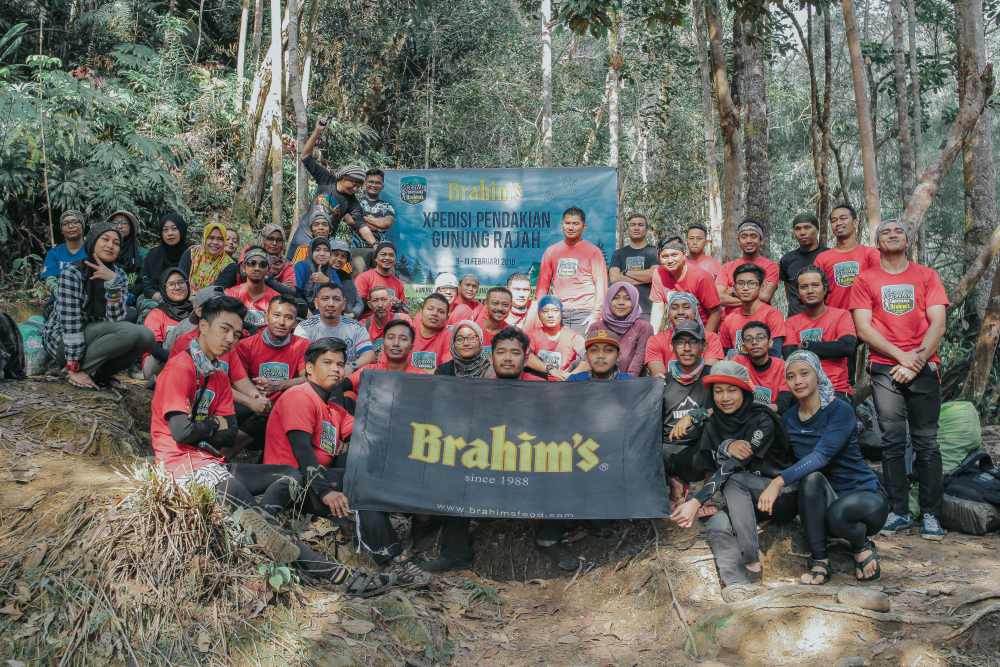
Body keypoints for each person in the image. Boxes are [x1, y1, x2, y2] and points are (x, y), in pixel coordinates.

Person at [151, 297, 394, 596]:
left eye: (237, 334)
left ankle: (258, 525)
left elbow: (231, 433)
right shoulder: (181, 367)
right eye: (224, 330)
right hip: (182, 466)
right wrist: (214, 426)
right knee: (253, 506)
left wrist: (211, 430)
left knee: (287, 475)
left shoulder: (217, 372)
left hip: (210, 462)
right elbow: (181, 430)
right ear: (203, 326)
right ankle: (337, 575)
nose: (230, 339)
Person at [262, 337, 422, 583]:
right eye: (327, 362)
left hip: (315, 481)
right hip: (291, 482)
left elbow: (369, 434)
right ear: (309, 368)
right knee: (360, 489)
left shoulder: (333, 409)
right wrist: (326, 491)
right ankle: (393, 560)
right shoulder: (300, 396)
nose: (336, 369)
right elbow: (302, 450)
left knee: (362, 469)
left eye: (340, 364)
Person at [422, 327, 570, 574]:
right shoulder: (476, 388)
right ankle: (455, 553)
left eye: (515, 352)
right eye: (501, 352)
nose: (508, 358)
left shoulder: (543, 390)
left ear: (526, 356)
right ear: (492, 357)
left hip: (530, 464)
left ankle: (550, 539)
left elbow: (556, 431)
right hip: (485, 465)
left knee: (564, 465)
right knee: (452, 469)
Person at [851, 218, 948, 540]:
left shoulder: (926, 275)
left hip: (923, 367)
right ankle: (899, 511)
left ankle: (932, 514)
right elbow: (864, 328)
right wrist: (901, 357)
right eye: (885, 232)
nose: (892, 235)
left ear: (908, 239)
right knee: (892, 442)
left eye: (899, 231)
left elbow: (938, 323)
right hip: (885, 369)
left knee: (927, 443)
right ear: (876, 243)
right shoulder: (865, 279)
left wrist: (917, 360)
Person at [756, 351, 888, 585]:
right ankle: (820, 560)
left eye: (804, 373)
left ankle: (861, 546)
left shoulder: (840, 410)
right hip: (824, 500)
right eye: (791, 376)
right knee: (811, 479)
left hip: (864, 497)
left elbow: (822, 455)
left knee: (838, 513)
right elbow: (784, 460)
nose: (798, 381)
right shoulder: (788, 419)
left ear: (818, 375)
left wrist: (778, 483)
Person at [669, 360, 794, 602]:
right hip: (740, 503)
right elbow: (706, 461)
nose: (725, 397)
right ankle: (736, 584)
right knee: (716, 522)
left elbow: (733, 467)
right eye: (718, 391)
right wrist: (724, 444)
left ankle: (751, 560)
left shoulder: (762, 419)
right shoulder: (714, 422)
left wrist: (696, 500)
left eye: (731, 390)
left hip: (777, 494)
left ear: (745, 391)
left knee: (735, 478)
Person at [43, 221, 155, 389]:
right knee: (130, 331)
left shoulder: (118, 275)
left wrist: (112, 283)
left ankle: (101, 375)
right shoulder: (73, 272)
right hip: (64, 340)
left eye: (116, 243)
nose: (110, 245)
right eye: (105, 239)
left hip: (95, 332)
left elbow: (115, 318)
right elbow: (70, 323)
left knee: (146, 337)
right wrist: (73, 365)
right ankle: (74, 371)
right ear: (93, 241)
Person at [233, 295, 310, 450]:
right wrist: (256, 396)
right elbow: (238, 380)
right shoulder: (245, 346)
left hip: (286, 405)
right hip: (252, 402)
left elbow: (309, 378)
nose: (281, 322)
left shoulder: (303, 345)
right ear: (266, 316)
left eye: (288, 318)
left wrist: (281, 385)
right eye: (276, 315)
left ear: (295, 323)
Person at [782, 266, 856, 397]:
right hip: (802, 391)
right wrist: (830, 348)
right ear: (798, 292)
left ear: (825, 288)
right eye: (804, 287)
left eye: (815, 285)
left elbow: (847, 347)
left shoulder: (841, 315)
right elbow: (790, 355)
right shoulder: (791, 322)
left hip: (835, 389)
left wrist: (806, 346)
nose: (810, 291)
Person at [535, 207, 608, 334]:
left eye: (575, 224)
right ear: (562, 225)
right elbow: (542, 286)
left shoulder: (594, 251)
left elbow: (601, 286)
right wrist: (542, 311)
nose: (571, 227)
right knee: (558, 354)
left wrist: (596, 315)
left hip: (584, 314)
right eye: (567, 223)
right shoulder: (551, 251)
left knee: (582, 353)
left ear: (584, 226)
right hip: (557, 313)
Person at [294, 284, 375, 372]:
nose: (331, 304)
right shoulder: (304, 328)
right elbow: (300, 362)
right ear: (316, 303)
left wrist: (351, 366)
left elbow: (369, 354)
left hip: (347, 378)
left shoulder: (356, 327)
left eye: (336, 299)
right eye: (325, 299)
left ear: (344, 304)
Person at [815, 203, 880, 310]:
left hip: (865, 319)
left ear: (855, 222)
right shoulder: (822, 258)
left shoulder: (871, 254)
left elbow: (879, 287)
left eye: (843, 218)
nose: (838, 223)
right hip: (835, 320)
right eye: (834, 220)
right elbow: (817, 292)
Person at [649, 236, 722, 333]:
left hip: (701, 329)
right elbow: (657, 308)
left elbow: (715, 312)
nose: (670, 261)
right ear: (659, 258)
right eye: (665, 256)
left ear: (684, 254)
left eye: (674, 255)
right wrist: (653, 337)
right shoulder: (658, 274)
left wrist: (705, 340)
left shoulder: (701, 277)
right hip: (677, 331)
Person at [645, 292, 725, 377]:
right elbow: (660, 378)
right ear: (668, 313)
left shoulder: (711, 338)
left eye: (686, 307)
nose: (680, 312)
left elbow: (709, 373)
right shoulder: (655, 340)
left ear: (695, 312)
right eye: (674, 308)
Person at [341, 319, 424, 394]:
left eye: (403, 339)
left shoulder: (421, 378)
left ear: (411, 348)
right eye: (390, 337)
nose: (396, 343)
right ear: (383, 345)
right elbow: (343, 385)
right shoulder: (369, 371)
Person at [587, 282, 652, 377]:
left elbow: (639, 359)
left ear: (634, 301)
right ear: (609, 300)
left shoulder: (643, 327)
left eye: (627, 298)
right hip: (601, 382)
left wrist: (626, 383)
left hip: (631, 384)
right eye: (616, 298)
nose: (621, 302)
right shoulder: (596, 327)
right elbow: (591, 359)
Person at [719, 264, 785, 356]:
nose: (745, 288)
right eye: (740, 283)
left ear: (761, 286)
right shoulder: (730, 319)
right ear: (734, 287)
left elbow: (775, 352)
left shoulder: (772, 315)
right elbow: (724, 352)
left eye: (751, 283)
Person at [716, 219, 779, 313]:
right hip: (731, 323)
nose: (748, 240)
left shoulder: (771, 267)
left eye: (753, 236)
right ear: (738, 241)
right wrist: (754, 295)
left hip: (760, 322)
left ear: (761, 241)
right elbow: (719, 298)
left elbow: (764, 297)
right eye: (744, 237)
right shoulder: (726, 267)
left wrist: (732, 291)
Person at [142, 268, 192, 380]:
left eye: (181, 282)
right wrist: (179, 361)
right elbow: (153, 347)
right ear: (164, 289)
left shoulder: (195, 311)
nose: (177, 287)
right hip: (158, 363)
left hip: (188, 363)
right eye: (172, 284)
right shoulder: (157, 314)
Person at [608, 213, 659, 319]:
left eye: (640, 225)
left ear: (646, 229)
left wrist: (626, 273)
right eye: (633, 225)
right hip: (622, 310)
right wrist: (644, 278)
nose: (636, 228)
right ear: (628, 229)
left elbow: (653, 275)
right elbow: (614, 279)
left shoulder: (654, 252)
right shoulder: (618, 253)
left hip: (646, 310)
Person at [526, 295, 587, 381]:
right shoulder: (532, 335)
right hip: (537, 383)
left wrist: (571, 376)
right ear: (539, 315)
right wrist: (551, 370)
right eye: (545, 311)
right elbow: (526, 356)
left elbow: (589, 356)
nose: (550, 315)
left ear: (561, 314)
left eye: (555, 311)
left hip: (563, 384)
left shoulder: (572, 336)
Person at [734, 321, 791, 411]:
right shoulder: (738, 363)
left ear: (770, 343)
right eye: (749, 339)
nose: (754, 342)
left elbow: (784, 401)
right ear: (744, 347)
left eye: (760, 338)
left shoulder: (781, 366)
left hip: (772, 415)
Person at [779, 213, 827, 316]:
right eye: (798, 229)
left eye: (807, 227)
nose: (802, 232)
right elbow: (788, 291)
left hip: (824, 319)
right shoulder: (787, 259)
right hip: (795, 320)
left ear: (817, 229)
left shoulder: (829, 255)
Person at [224, 246, 280, 331]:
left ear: (268, 269)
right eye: (252, 263)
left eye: (263, 264)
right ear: (243, 268)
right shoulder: (230, 295)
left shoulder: (276, 300)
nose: (257, 268)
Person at [352, 168, 396, 273]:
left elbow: (386, 223)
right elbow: (351, 221)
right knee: (358, 280)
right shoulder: (354, 203)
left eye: (378, 183)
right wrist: (378, 226)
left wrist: (363, 219)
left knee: (388, 276)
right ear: (365, 183)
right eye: (371, 182)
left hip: (381, 250)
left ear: (382, 186)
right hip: (358, 248)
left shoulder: (387, 206)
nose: (374, 185)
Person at [141, 213, 190, 302]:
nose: (170, 233)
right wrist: (156, 296)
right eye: (165, 230)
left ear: (182, 230)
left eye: (174, 229)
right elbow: (146, 283)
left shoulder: (191, 253)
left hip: (186, 298)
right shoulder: (153, 255)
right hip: (157, 299)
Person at [355, 241, 408, 314]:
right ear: (375, 259)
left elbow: (404, 310)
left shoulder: (399, 284)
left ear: (395, 260)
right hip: (367, 322)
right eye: (383, 254)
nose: (387, 258)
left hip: (391, 323)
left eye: (391, 255)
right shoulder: (363, 278)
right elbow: (358, 304)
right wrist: (380, 301)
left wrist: (398, 305)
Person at [179, 222, 234, 291]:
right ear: (204, 239)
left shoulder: (230, 265)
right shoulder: (191, 253)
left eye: (220, 239)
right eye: (211, 238)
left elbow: (216, 291)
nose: (215, 242)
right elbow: (180, 279)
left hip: (211, 301)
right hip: (183, 297)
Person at [42, 210, 88, 288]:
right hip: (61, 296)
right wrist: (59, 292)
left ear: (82, 226)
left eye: (75, 222)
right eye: (65, 224)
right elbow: (49, 279)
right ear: (62, 230)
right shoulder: (54, 253)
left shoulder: (92, 249)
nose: (70, 226)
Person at [566, 328, 631, 381]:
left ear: (618, 356)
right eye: (594, 350)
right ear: (586, 356)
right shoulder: (575, 382)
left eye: (608, 350)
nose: (600, 356)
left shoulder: (628, 382)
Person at [360, 286, 410, 355]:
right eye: (375, 300)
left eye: (384, 300)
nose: (380, 305)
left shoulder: (404, 320)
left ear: (391, 302)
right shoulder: (363, 326)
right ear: (370, 305)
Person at [108, 210, 145, 302]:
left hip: (134, 298)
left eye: (124, 223)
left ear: (131, 227)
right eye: (115, 223)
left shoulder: (142, 253)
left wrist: (133, 293)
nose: (119, 226)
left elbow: (145, 280)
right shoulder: (104, 250)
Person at [410, 293, 453, 371]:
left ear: (447, 318)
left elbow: (446, 370)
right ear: (421, 311)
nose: (435, 314)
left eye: (441, 312)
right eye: (430, 309)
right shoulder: (408, 332)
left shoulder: (450, 338)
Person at [294, 237, 342, 305]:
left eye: (326, 250)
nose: (322, 254)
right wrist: (306, 310)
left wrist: (327, 281)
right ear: (311, 252)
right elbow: (296, 293)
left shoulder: (331, 271)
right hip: (304, 310)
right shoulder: (301, 266)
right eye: (317, 250)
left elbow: (341, 293)